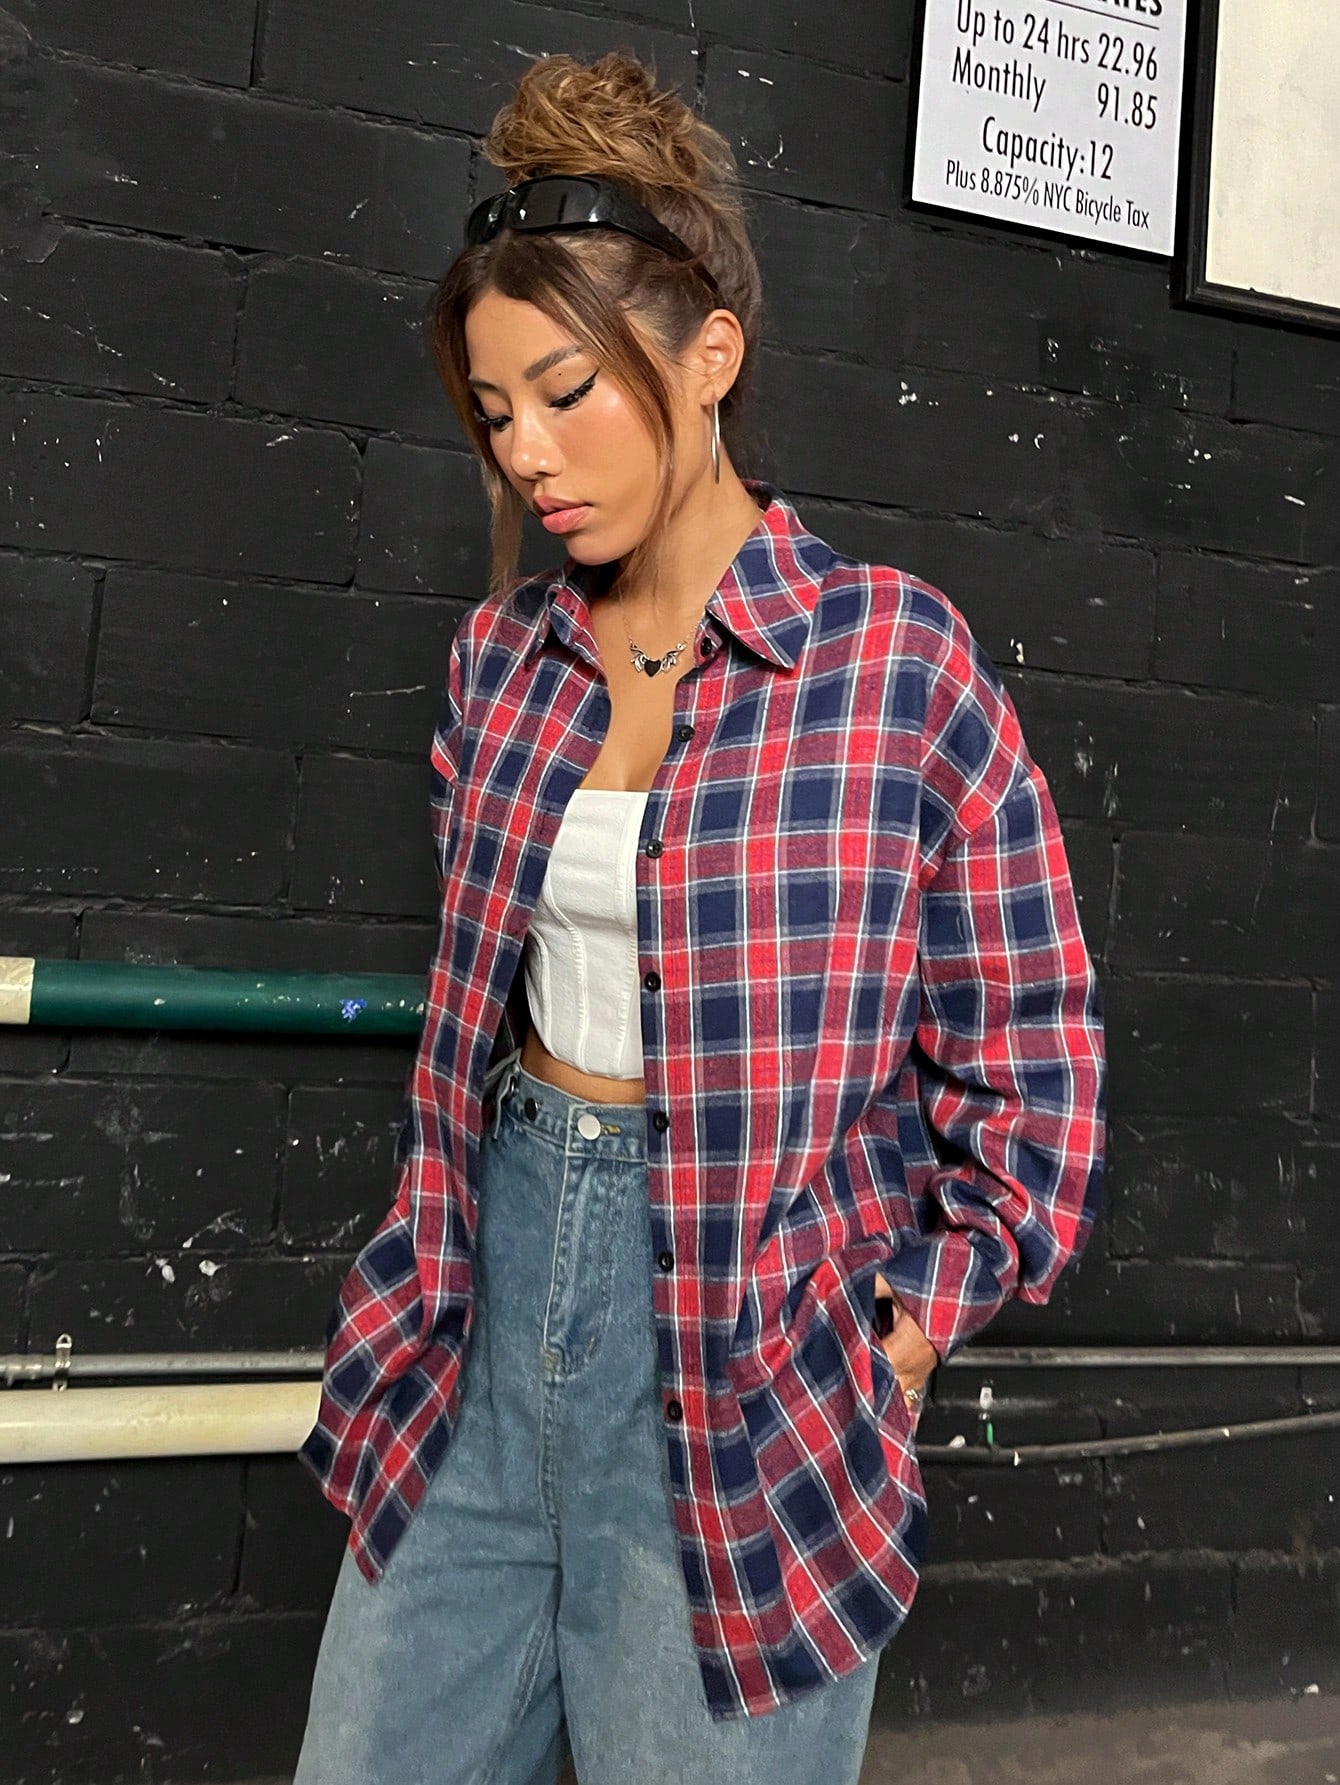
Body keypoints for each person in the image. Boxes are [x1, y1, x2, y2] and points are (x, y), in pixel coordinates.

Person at [291, 47, 1106, 1785]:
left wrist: (907, 1327)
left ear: (709, 355)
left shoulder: (894, 665)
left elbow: (1035, 1060)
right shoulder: (499, 668)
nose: (527, 451)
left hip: (752, 1376)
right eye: (494, 410)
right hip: (476, 1341)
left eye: (566, 389)